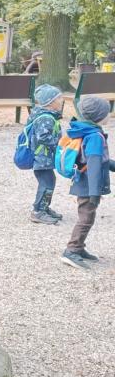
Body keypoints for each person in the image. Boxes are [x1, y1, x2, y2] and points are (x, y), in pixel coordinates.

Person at [61, 95, 115, 270]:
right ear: (99, 116)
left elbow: (97, 160)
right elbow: (93, 165)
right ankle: (72, 250)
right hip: (88, 185)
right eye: (107, 112)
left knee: (87, 217)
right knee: (86, 218)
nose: (110, 115)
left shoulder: (86, 131)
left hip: (83, 181)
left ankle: (79, 247)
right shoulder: (95, 137)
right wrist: (94, 192)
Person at [26, 84, 65, 225]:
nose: (62, 100)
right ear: (49, 102)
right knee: (46, 183)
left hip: (44, 158)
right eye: (58, 98)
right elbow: (43, 137)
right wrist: (60, 143)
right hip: (42, 158)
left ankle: (44, 207)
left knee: (49, 181)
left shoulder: (45, 115)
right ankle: (38, 212)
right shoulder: (46, 118)